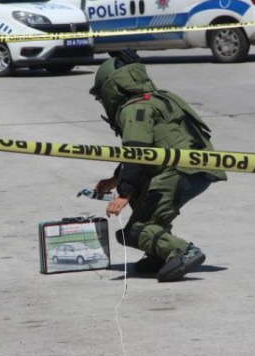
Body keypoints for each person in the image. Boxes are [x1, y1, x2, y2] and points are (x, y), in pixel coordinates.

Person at [90, 51, 227, 282]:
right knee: (143, 207)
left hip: (180, 174)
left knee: (136, 230)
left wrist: (124, 193)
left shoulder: (134, 109)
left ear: (111, 88)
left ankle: (181, 251)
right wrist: (115, 180)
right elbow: (148, 149)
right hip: (195, 170)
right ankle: (159, 253)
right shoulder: (160, 98)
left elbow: (137, 151)